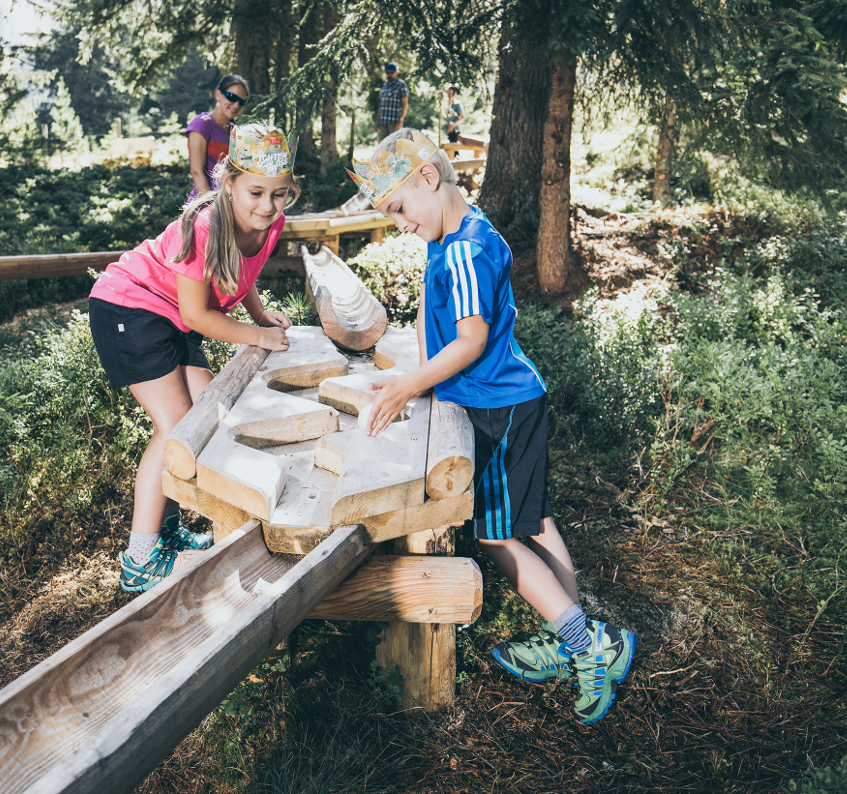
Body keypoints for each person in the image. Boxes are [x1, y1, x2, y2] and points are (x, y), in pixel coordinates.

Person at [347, 129, 637, 725]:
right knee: (538, 523)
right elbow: (438, 315)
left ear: (428, 178)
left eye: (398, 207)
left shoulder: (463, 250)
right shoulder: (460, 229)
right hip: (516, 399)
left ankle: (590, 646)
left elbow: (472, 338)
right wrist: (420, 369)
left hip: (495, 409)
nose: (398, 222)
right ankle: (572, 632)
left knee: (497, 537)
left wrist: (412, 384)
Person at [89, 122, 298, 592]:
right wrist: (257, 338)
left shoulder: (272, 222)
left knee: (207, 411)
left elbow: (240, 276)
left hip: (170, 317)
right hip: (129, 306)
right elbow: (198, 315)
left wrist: (260, 315)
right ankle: (138, 561)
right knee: (176, 426)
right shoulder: (205, 224)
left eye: (279, 194)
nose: (267, 206)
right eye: (256, 192)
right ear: (229, 184)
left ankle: (165, 533)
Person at [185, 74, 249, 204]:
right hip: (204, 205)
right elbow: (196, 171)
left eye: (241, 101)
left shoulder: (235, 131)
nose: (236, 105)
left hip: (229, 205)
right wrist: (209, 207)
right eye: (232, 97)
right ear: (218, 94)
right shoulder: (201, 124)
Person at [377, 62, 408, 140]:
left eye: (391, 72)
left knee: (394, 146)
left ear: (396, 72)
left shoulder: (401, 84)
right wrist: (377, 122)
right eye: (387, 73)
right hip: (383, 122)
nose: (389, 74)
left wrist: (400, 120)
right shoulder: (384, 86)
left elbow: (405, 104)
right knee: (383, 147)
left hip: (394, 122)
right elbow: (381, 105)